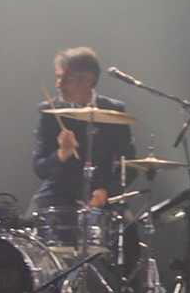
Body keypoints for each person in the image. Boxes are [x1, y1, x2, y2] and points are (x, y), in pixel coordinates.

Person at [30, 46, 138, 222]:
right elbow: (40, 169)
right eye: (58, 78)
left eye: (66, 80)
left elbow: (130, 165)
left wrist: (107, 190)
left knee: (129, 232)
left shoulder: (114, 110)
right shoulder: (48, 111)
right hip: (59, 192)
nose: (58, 85)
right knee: (27, 226)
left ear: (88, 79)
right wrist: (61, 154)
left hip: (102, 193)